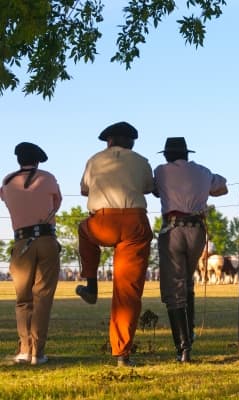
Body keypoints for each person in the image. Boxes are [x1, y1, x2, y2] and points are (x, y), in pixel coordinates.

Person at [76, 121, 154, 367]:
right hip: (134, 223)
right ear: (131, 142)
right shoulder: (141, 161)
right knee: (127, 291)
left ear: (108, 141)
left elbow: (84, 190)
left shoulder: (94, 159)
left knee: (83, 230)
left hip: (102, 222)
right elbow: (149, 188)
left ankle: (90, 282)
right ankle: (122, 354)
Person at [153, 137, 228, 362]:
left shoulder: (161, 171)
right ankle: (190, 333)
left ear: (166, 155)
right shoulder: (203, 171)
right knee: (187, 281)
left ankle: (183, 347)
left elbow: (154, 191)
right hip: (197, 231)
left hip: (173, 229)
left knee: (173, 287)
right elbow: (222, 188)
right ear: (187, 154)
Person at [0, 142, 62, 365]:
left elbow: (6, 200)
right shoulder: (48, 177)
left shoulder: (7, 182)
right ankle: (38, 352)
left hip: (21, 241)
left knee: (22, 298)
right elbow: (57, 203)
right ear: (38, 161)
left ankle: (24, 349)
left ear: (18, 160)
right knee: (42, 297)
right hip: (46, 239)